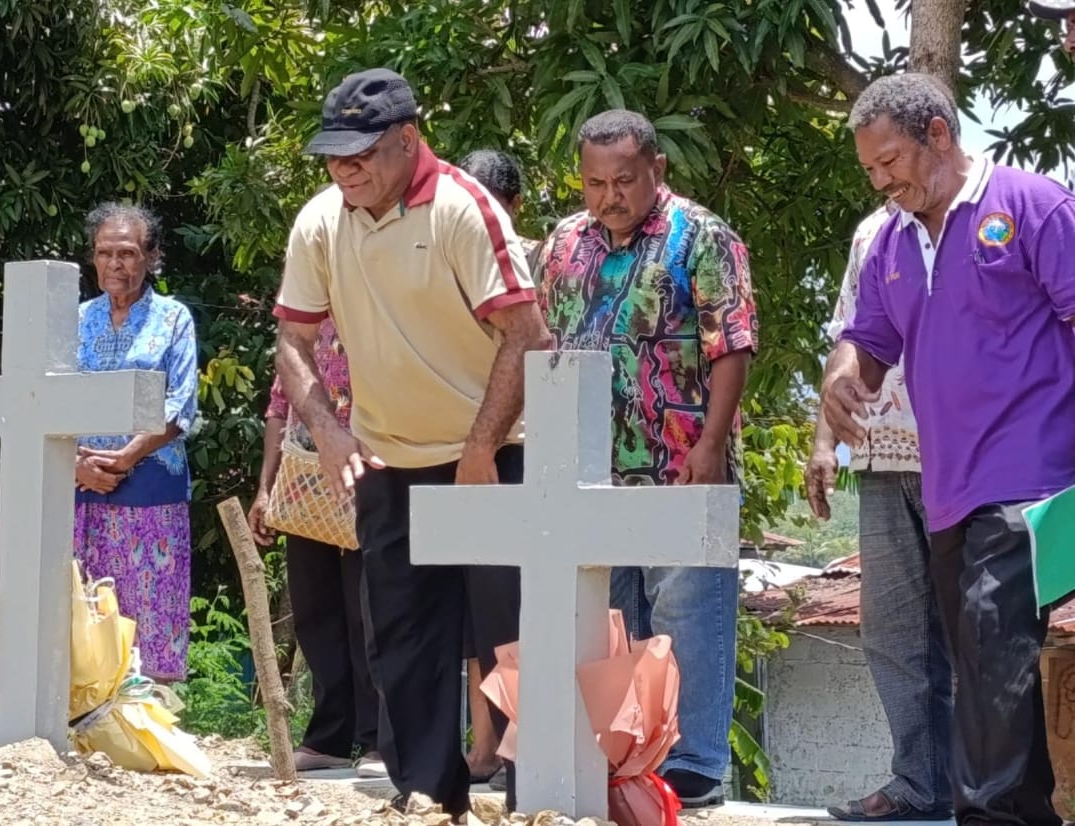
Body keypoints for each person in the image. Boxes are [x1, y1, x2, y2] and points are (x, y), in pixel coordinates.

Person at [273, 68, 550, 817]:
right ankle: (428, 794)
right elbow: (293, 342)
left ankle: (536, 796)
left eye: (361, 153)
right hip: (388, 455)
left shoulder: (464, 208)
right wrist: (329, 433)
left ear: (407, 139)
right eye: (334, 156)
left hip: (492, 453)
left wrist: (481, 447)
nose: (345, 169)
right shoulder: (320, 221)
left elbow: (526, 334)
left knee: (512, 635)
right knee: (401, 638)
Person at [822, 72, 1075, 826]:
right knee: (984, 662)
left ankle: (988, 817)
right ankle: (1025, 812)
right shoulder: (891, 243)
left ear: (939, 134)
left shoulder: (1031, 205)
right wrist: (841, 378)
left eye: (890, 161)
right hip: (950, 488)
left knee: (994, 641)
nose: (881, 181)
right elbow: (868, 340)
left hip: (1036, 480)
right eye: (870, 169)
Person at [537, 110, 757, 809]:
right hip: (588, 469)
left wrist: (711, 445)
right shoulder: (563, 243)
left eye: (625, 180)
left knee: (686, 612)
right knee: (611, 620)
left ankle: (693, 762)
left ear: (656, 170)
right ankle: (625, 760)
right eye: (595, 183)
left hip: (680, 460)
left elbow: (732, 343)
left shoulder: (701, 236)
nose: (610, 196)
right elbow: (541, 342)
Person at [805, 204, 953, 821]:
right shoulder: (875, 232)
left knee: (978, 630)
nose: (882, 173)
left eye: (890, 159)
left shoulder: (980, 216)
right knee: (893, 632)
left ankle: (991, 788)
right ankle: (921, 783)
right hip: (879, 456)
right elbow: (849, 339)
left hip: (963, 456)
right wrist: (823, 443)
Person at [248, 318, 384, 777]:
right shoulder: (302, 325)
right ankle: (329, 737)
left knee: (369, 609)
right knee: (315, 609)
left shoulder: (379, 305)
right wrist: (265, 488)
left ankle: (380, 739)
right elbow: (279, 405)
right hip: (304, 478)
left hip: (370, 472)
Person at [72, 203, 198, 684]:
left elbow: (180, 405)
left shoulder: (173, 319)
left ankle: (151, 717)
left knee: (149, 618)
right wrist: (76, 464)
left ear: (152, 256)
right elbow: (47, 402)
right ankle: (84, 718)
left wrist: (127, 456)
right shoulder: (75, 320)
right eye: (104, 253)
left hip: (150, 490)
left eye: (126, 253)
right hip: (83, 489)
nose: (115, 264)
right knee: (85, 617)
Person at [455, 148, 537, 786]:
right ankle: (484, 744)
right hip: (451, 445)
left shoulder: (535, 259)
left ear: (512, 207)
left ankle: (518, 744)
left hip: (517, 446)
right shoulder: (443, 256)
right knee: (471, 611)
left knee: (510, 608)